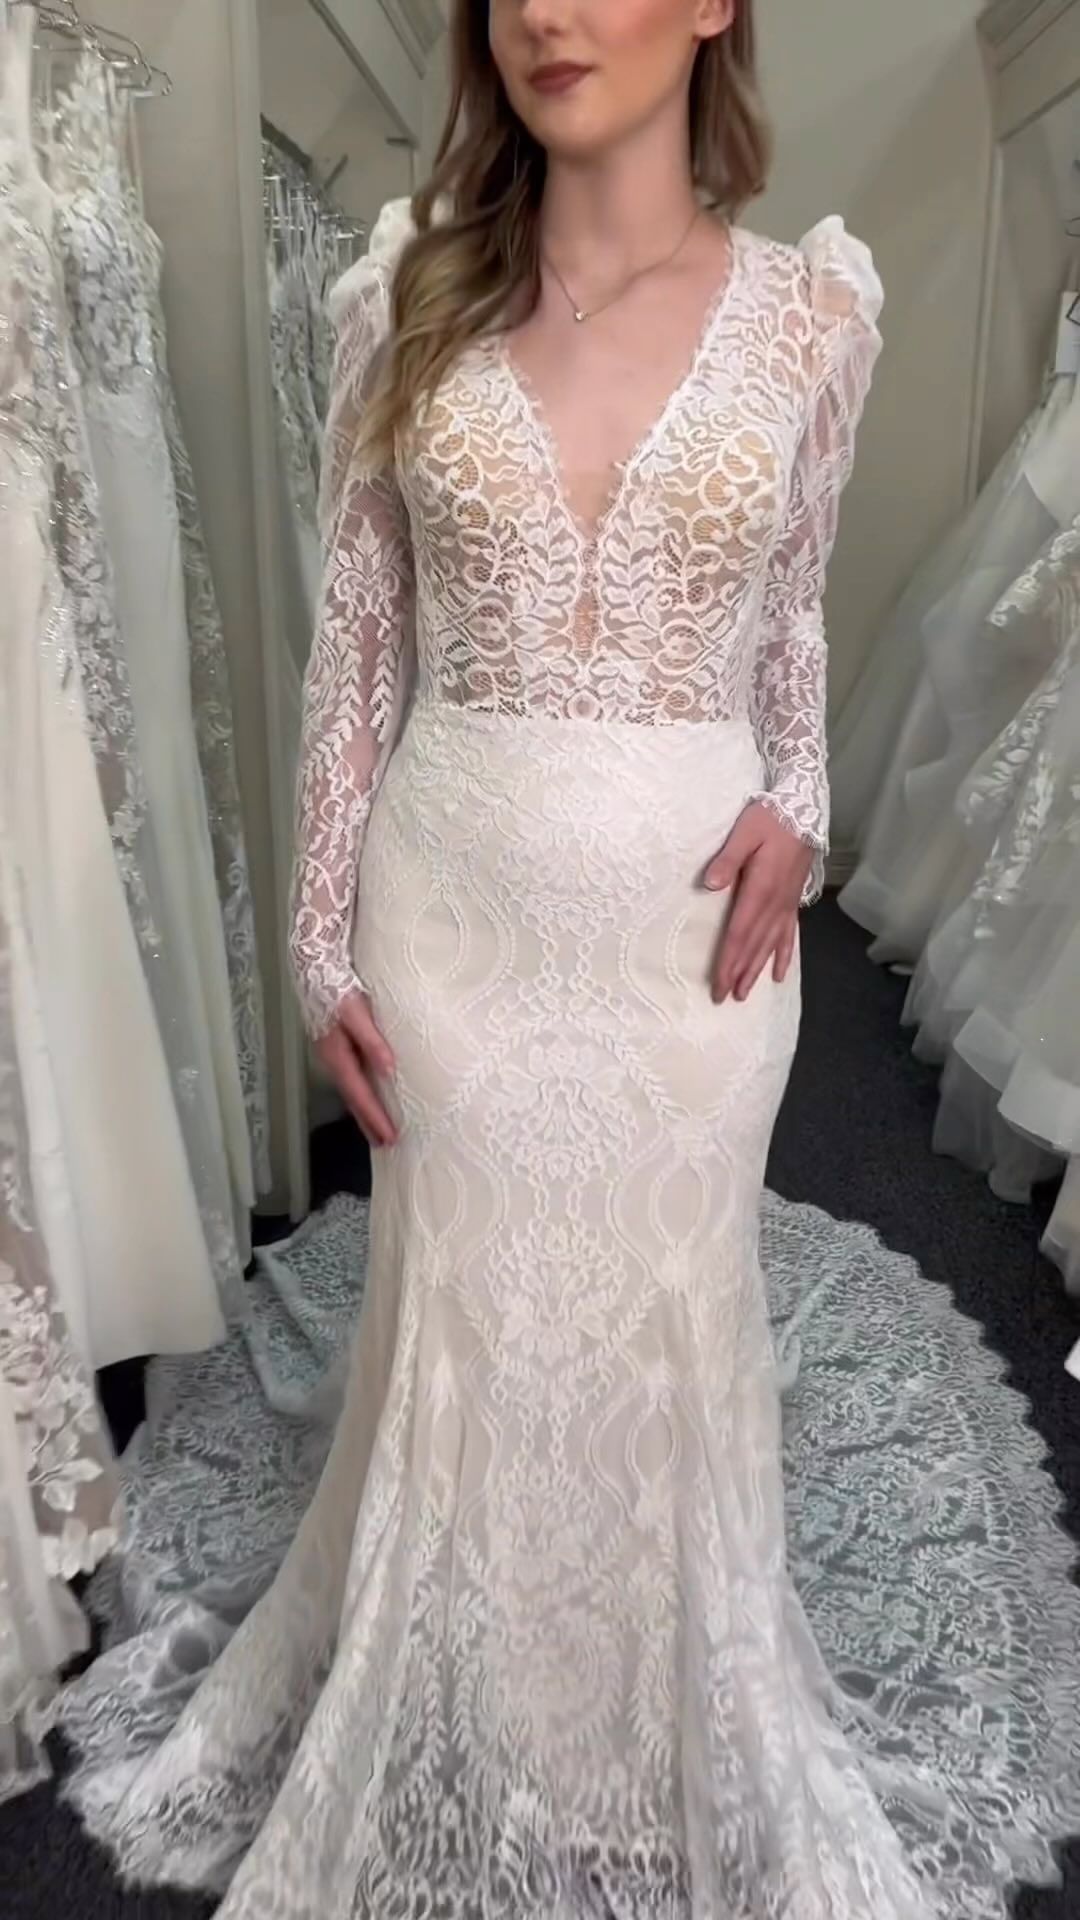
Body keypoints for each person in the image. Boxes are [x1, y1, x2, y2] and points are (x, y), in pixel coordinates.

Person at [59, 4, 1067, 1915]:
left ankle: (641, 1720)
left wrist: (806, 805)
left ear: (715, 7)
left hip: (690, 953)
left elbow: (793, 627)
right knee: (476, 1319)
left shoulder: (816, 314)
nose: (543, 10)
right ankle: (473, 1713)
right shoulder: (403, 296)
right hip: (457, 921)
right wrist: (317, 940)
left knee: (661, 1316)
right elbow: (358, 655)